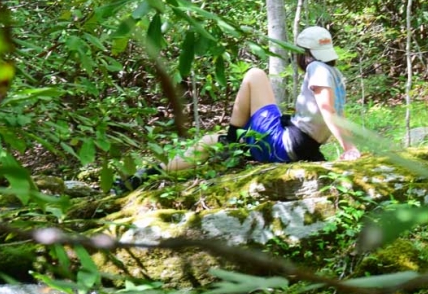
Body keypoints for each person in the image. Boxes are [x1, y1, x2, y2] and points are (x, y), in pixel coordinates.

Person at [113, 26, 361, 193]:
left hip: (286, 144)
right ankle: (148, 174)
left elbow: (328, 110)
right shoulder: (335, 74)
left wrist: (349, 147)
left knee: (254, 74)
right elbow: (335, 114)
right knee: (210, 141)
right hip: (303, 146)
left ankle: (232, 138)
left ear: (304, 54)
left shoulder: (316, 69)